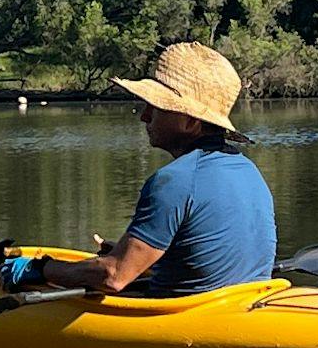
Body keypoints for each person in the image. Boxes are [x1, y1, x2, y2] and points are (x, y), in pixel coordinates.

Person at [20, 42, 277, 299]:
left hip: (181, 323)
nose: (145, 116)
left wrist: (40, 269)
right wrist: (133, 254)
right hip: (241, 307)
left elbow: (114, 277)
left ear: (190, 122)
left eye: (156, 107)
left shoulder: (174, 180)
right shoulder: (249, 171)